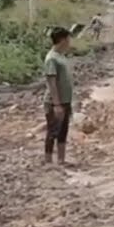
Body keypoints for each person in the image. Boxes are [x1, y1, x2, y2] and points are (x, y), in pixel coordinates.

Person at [43, 27, 75, 166]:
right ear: (62, 40)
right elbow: (51, 82)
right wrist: (57, 104)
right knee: (53, 132)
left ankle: (61, 160)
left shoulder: (61, 56)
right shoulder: (51, 58)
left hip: (65, 100)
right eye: (68, 39)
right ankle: (48, 161)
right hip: (55, 102)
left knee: (63, 131)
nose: (69, 42)